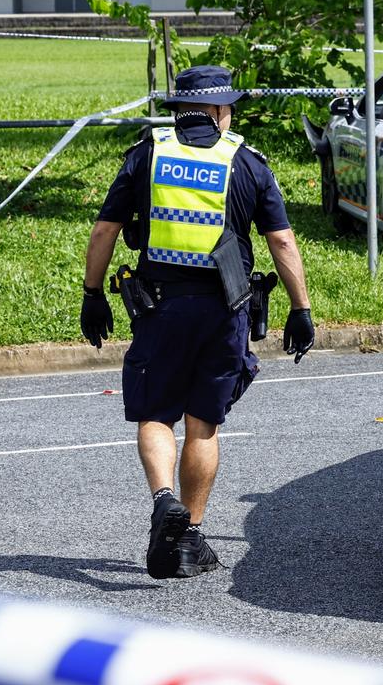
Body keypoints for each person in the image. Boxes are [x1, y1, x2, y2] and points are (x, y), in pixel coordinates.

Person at [79, 66, 316, 579]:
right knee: (202, 424)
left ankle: (165, 500)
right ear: (216, 112)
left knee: (155, 414)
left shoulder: (146, 156)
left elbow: (104, 233)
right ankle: (188, 540)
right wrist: (300, 308)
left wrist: (92, 294)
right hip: (224, 310)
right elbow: (282, 243)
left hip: (159, 308)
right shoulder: (248, 163)